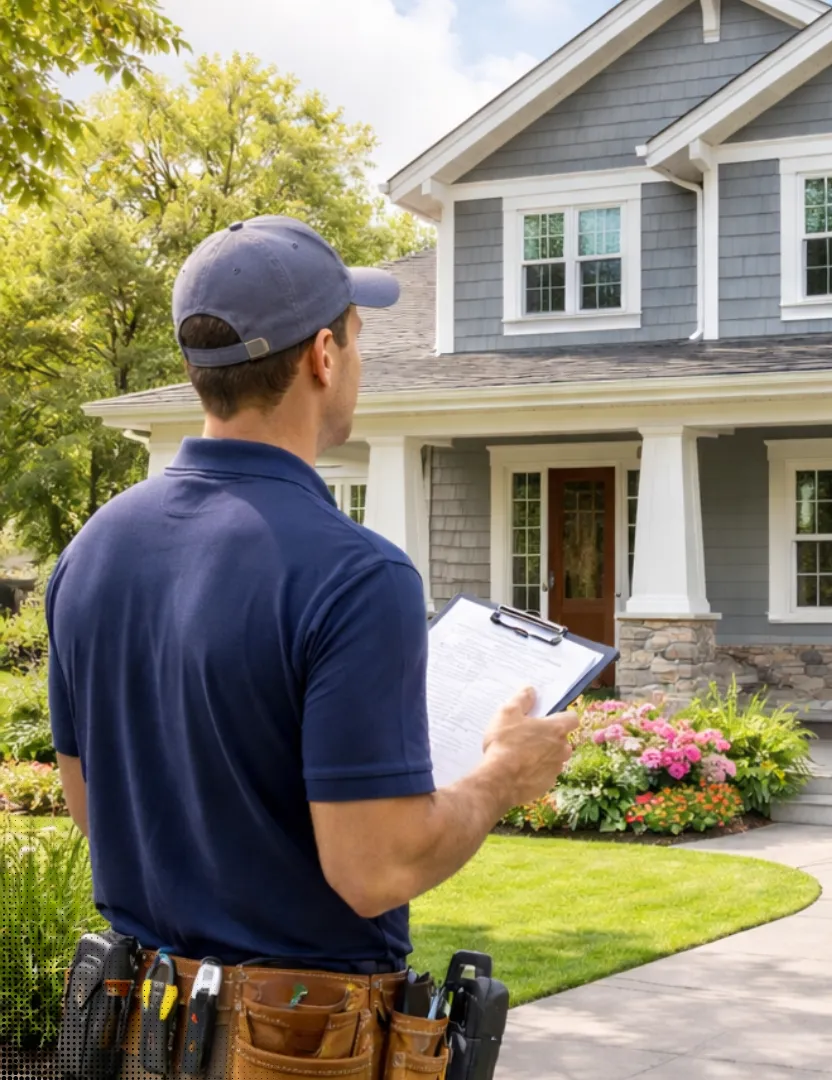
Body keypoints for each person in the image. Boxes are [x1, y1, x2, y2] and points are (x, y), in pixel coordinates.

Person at [46, 216, 578, 1073]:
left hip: (135, 1032)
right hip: (293, 1046)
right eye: (358, 341)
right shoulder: (357, 574)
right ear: (324, 357)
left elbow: (91, 806)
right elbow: (374, 869)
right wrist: (500, 776)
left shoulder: (94, 548)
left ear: (197, 370)